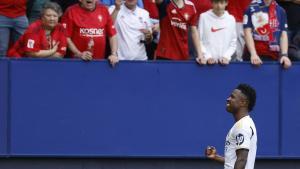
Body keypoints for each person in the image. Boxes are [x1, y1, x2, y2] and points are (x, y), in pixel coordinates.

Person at [205, 83, 257, 169]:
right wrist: (216, 157)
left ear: (243, 102)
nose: (228, 99)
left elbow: (241, 160)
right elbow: (235, 161)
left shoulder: (242, 126)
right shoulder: (242, 124)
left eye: (232, 97)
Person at [61, 0, 118, 66]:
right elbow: (66, 36)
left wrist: (113, 54)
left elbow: (112, 34)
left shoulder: (104, 10)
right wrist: (78, 53)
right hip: (77, 62)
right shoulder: (71, 11)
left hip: (99, 62)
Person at [243, 0, 292, 69]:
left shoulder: (281, 11)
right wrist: (253, 54)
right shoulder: (251, 8)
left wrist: (284, 55)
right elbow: (247, 32)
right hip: (253, 56)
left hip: (272, 56)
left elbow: (283, 35)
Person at [198, 0, 236, 65]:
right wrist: (207, 56)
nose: (219, 6)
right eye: (216, 2)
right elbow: (199, 40)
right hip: (207, 63)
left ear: (226, 3)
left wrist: (226, 57)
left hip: (224, 64)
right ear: (212, 3)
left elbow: (233, 42)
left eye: (221, 3)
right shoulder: (203, 17)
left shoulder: (231, 19)